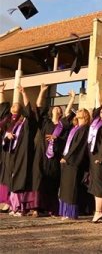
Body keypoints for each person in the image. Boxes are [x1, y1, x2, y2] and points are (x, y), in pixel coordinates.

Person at [32, 84, 73, 216]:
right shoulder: (45, 122)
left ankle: (51, 208)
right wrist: (42, 91)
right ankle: (38, 208)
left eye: (58, 108)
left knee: (53, 182)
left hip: (55, 157)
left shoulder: (63, 125)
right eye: (54, 107)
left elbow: (68, 115)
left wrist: (72, 99)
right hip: (42, 156)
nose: (56, 109)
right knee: (40, 181)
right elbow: (38, 107)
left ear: (60, 113)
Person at [2, 85, 38, 216]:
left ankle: (20, 207)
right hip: (11, 153)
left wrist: (24, 93)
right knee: (12, 179)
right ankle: (13, 206)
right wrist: (7, 137)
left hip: (22, 154)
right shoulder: (9, 123)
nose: (13, 107)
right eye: (12, 106)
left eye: (16, 106)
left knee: (20, 179)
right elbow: (4, 137)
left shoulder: (26, 123)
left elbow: (29, 111)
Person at [58, 104, 90, 220]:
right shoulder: (75, 128)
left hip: (74, 161)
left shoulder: (85, 129)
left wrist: (67, 157)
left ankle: (71, 212)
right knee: (65, 187)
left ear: (85, 115)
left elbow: (77, 146)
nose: (78, 112)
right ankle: (64, 211)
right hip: (67, 160)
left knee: (71, 188)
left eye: (81, 110)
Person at [87, 84, 102, 223]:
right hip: (92, 155)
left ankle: (99, 211)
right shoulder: (96, 120)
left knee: (98, 183)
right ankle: (97, 211)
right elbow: (98, 103)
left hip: (98, 157)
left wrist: (101, 157)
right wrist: (97, 89)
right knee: (94, 182)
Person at [0, 82, 12, 213]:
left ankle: (8, 202)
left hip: (6, 150)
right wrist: (1, 92)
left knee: (6, 174)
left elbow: (4, 108)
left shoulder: (9, 120)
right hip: (2, 149)